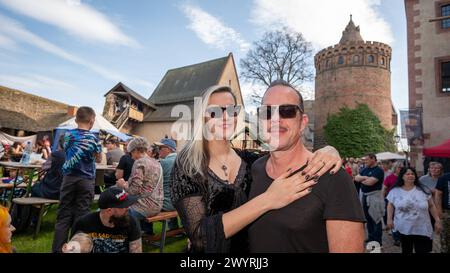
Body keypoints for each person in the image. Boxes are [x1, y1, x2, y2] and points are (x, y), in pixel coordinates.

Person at [171, 84, 343, 253]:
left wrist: (329, 150)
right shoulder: (188, 164)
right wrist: (268, 199)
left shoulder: (250, 161)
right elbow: (200, 238)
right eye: (215, 111)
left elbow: (285, 158)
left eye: (231, 111)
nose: (225, 117)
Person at [248, 80, 365, 253]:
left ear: (302, 122)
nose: (275, 119)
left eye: (286, 111)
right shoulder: (255, 168)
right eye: (267, 112)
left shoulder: (332, 177)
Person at [52, 107, 103, 253]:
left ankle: (57, 250)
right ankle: (76, 250)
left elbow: (66, 149)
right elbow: (98, 158)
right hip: (86, 180)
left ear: (76, 119)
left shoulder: (66, 135)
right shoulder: (94, 138)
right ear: (92, 120)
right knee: (81, 216)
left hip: (68, 178)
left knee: (63, 216)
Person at [386, 167, 441, 253]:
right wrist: (389, 219)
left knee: (424, 250)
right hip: (404, 228)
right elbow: (390, 205)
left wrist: (437, 220)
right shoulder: (395, 191)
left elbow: (431, 206)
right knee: (406, 250)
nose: (410, 176)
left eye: (412, 174)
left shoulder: (423, 189)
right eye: (407, 174)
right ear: (402, 177)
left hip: (423, 228)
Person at [71, 187, 142, 253]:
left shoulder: (131, 222)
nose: (128, 208)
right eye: (124, 206)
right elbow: (73, 249)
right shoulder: (84, 224)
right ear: (109, 211)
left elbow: (136, 250)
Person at [116, 137, 163, 233]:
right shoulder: (156, 162)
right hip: (157, 205)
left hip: (143, 206)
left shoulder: (139, 162)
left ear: (137, 150)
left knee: (113, 211)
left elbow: (134, 191)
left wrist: (122, 185)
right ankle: (143, 232)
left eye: (131, 153)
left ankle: (121, 239)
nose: (131, 156)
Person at [355, 153, 385, 246]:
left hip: (375, 197)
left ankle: (377, 241)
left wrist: (362, 180)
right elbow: (356, 178)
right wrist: (364, 177)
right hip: (365, 196)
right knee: (368, 218)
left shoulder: (379, 170)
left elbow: (370, 183)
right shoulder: (365, 169)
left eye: (367, 160)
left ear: (373, 159)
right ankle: (371, 237)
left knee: (375, 218)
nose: (365, 161)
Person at [31, 135, 66, 200]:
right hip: (65, 193)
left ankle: (35, 209)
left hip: (51, 191)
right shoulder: (76, 157)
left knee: (33, 188)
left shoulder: (55, 155)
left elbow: (44, 167)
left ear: (59, 143)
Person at [154, 138, 179, 230]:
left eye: (160, 148)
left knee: (140, 202)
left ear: (168, 149)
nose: (158, 150)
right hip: (183, 202)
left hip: (169, 204)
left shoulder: (163, 163)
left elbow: (150, 183)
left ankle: (146, 232)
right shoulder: (183, 160)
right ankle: (174, 228)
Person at [381, 161, 403, 246]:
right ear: (395, 168)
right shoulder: (389, 177)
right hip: (391, 201)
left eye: (402, 168)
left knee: (401, 219)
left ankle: (401, 236)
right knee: (393, 219)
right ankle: (396, 238)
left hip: (402, 201)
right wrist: (382, 199)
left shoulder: (404, 177)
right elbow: (384, 189)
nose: (401, 169)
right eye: (399, 168)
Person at [435, 172, 450, 253]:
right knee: (445, 238)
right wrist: (439, 211)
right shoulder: (444, 178)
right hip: (447, 212)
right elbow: (438, 195)